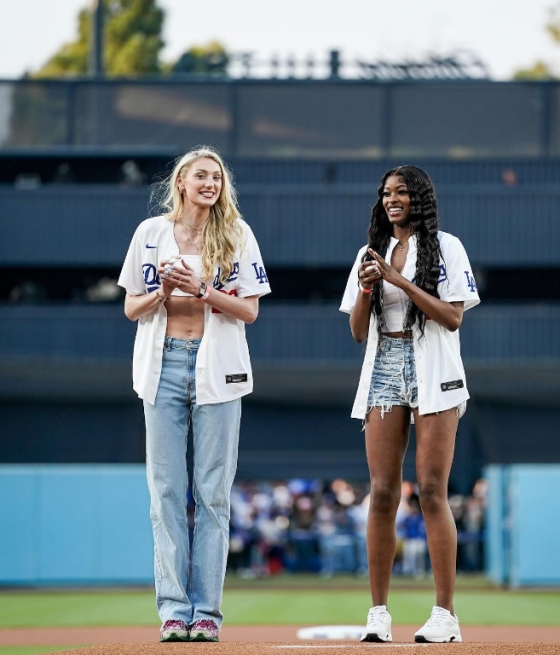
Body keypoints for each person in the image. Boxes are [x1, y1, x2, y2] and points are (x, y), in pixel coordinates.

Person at [118, 146, 271, 643]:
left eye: (218, 177)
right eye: (201, 175)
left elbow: (248, 311)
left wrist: (203, 288)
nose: (211, 183)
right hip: (162, 363)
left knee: (212, 495)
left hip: (217, 366)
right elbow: (131, 309)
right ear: (181, 181)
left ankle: (205, 612)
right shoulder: (150, 234)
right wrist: (165, 291)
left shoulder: (237, 233)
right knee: (164, 493)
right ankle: (172, 611)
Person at [339, 165, 479, 643]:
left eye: (401, 192)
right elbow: (359, 331)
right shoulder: (369, 253)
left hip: (433, 366)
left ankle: (445, 615)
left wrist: (400, 278)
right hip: (384, 364)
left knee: (431, 489)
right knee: (381, 492)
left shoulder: (447, 246)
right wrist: (366, 287)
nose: (391, 199)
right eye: (385, 193)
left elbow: (453, 317)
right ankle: (378, 612)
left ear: (419, 197)